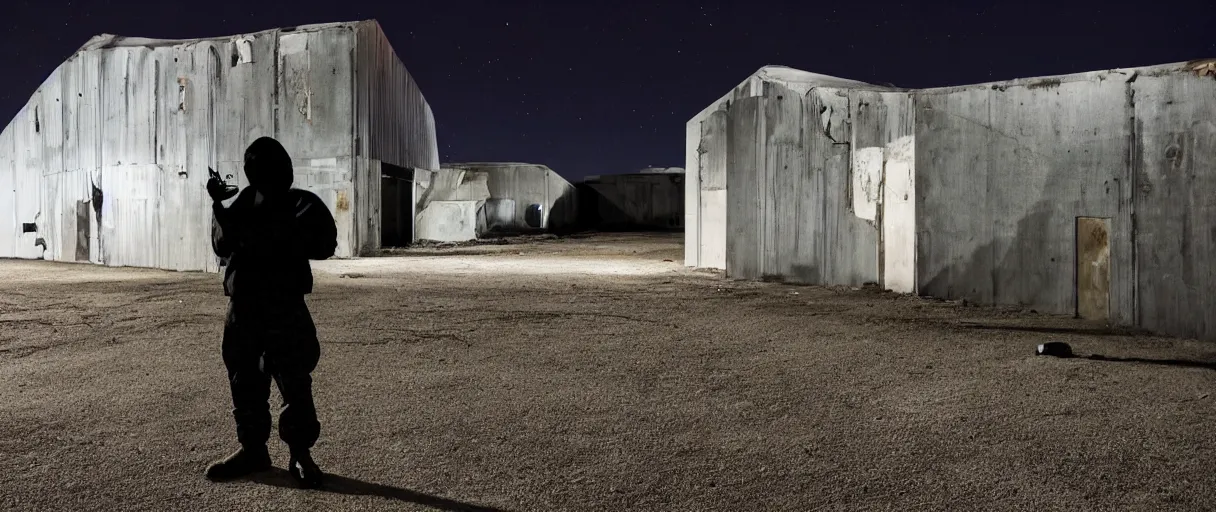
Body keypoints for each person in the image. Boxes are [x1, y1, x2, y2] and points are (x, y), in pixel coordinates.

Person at [203, 136, 338, 489]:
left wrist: (263, 232)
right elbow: (222, 244)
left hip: (282, 305)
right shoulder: (245, 202)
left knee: (293, 380)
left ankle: (300, 453)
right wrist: (219, 206)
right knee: (243, 378)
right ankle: (253, 450)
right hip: (243, 305)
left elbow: (324, 243)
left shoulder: (299, 203)